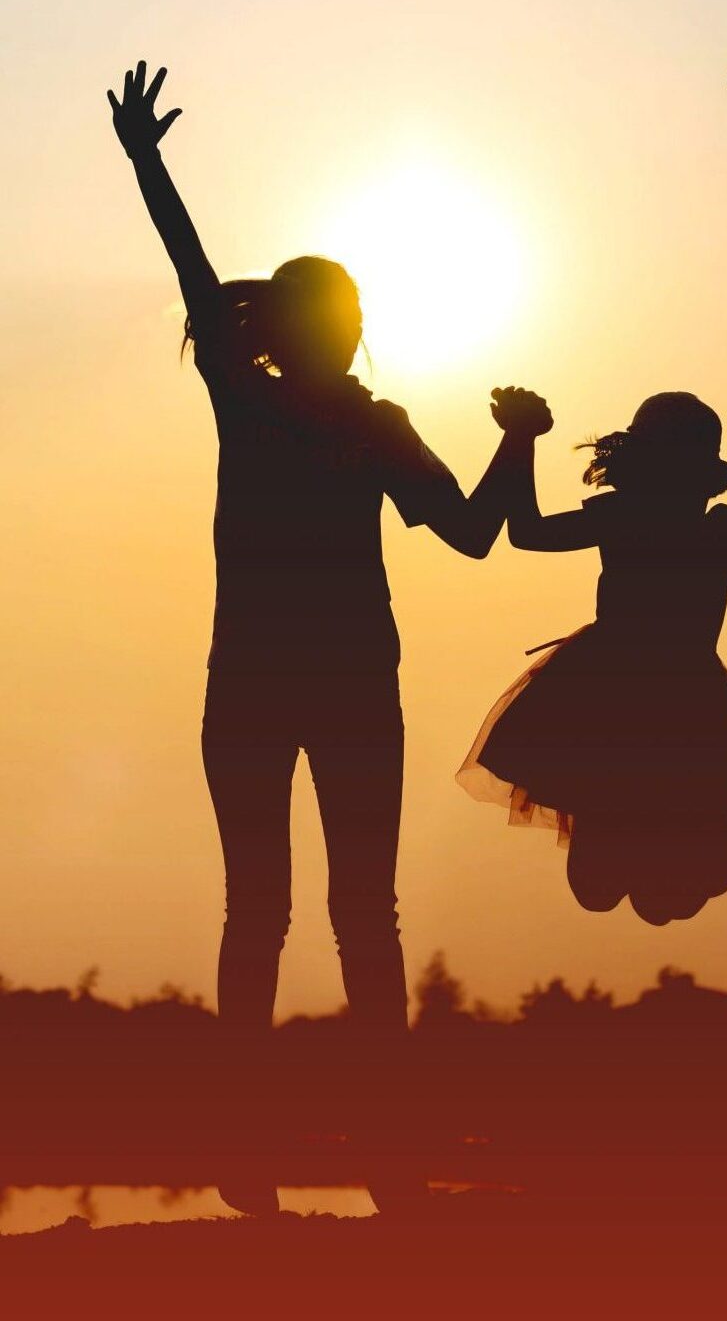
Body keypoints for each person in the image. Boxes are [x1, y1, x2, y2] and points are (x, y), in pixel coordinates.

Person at [107, 61, 551, 1210]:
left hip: (325, 686)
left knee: (332, 912)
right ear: (307, 326)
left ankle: (366, 1159)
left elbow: (468, 534)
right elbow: (201, 286)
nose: (353, 331)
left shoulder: (368, 423)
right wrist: (149, 164)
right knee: (302, 911)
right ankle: (300, 1161)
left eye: (357, 314)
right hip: (286, 683)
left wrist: (516, 441)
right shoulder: (253, 397)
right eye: (339, 314)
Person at [457, 392, 727, 924]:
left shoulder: (631, 519)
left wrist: (524, 437)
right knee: (653, 884)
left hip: (618, 690)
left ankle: (642, 855)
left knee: (624, 880)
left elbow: (527, 532)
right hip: (672, 696)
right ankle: (649, 857)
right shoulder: (721, 531)